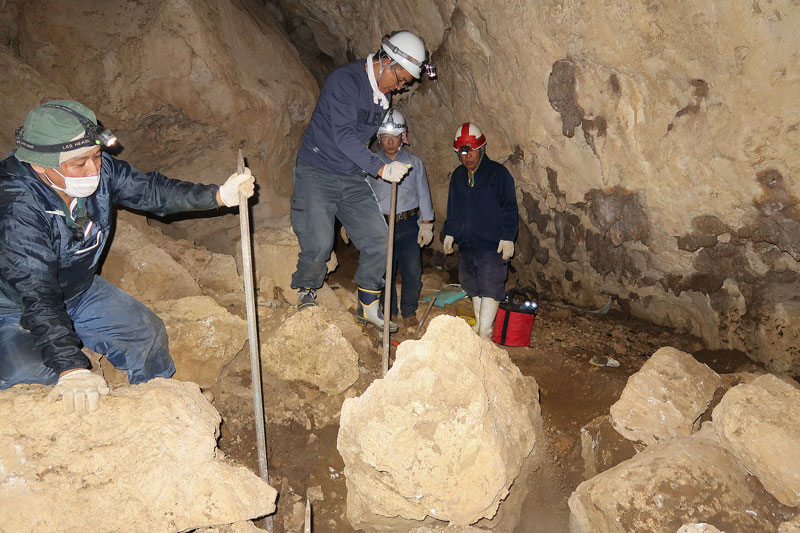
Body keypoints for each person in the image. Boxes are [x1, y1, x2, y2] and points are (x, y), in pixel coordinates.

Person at [0, 100, 255, 413]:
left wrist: (217, 195)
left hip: (78, 290)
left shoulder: (100, 170)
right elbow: (36, 291)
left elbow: (150, 191)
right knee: (31, 377)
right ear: (41, 166)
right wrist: (71, 367)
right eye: (79, 163)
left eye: (96, 156)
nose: (93, 169)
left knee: (145, 334)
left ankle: (155, 409)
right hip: (14, 305)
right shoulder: (15, 206)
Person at [289, 30, 434, 333]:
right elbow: (343, 135)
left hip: (349, 174)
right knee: (319, 241)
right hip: (317, 168)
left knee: (380, 240)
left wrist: (371, 167)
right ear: (387, 62)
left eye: (406, 82)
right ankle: (306, 291)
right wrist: (380, 169)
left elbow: (361, 140)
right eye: (403, 79)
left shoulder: (384, 95)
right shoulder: (346, 81)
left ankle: (368, 303)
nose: (402, 86)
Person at [442, 122, 518, 338]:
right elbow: (453, 207)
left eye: (472, 150)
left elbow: (509, 207)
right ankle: (479, 326)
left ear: (482, 148)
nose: (468, 156)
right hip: (468, 245)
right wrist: (449, 232)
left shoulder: (498, 174)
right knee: (472, 286)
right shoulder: (458, 176)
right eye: (463, 152)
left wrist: (507, 237)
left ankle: (485, 331)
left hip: (491, 246)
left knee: (490, 287)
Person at [365, 109, 434, 328]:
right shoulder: (371, 163)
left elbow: (423, 193)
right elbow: (363, 193)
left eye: (394, 137)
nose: (390, 142)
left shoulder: (414, 163)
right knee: (385, 271)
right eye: (386, 137)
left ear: (402, 137)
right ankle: (390, 311)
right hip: (380, 223)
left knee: (412, 270)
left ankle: (409, 311)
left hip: (407, 224)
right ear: (379, 138)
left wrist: (426, 224)